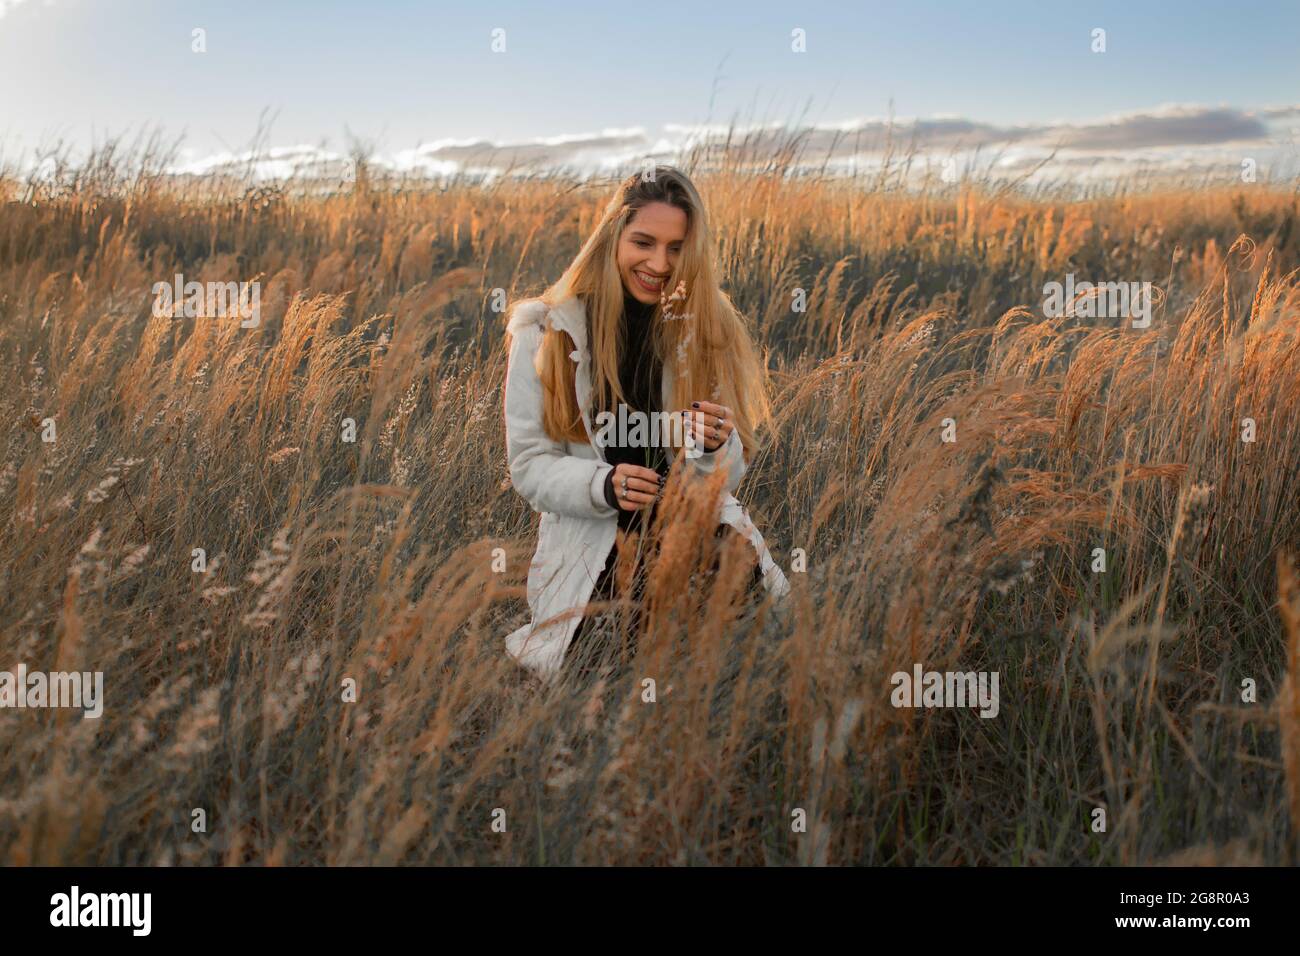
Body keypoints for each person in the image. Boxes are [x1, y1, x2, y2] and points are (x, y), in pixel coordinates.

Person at [502, 166, 790, 682]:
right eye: (644, 242)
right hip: (596, 546)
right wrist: (602, 485)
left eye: (677, 247)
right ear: (613, 235)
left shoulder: (707, 324)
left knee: (748, 663)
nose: (659, 264)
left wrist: (714, 448)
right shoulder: (549, 332)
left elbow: (726, 477)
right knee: (605, 672)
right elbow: (528, 466)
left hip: (695, 534)